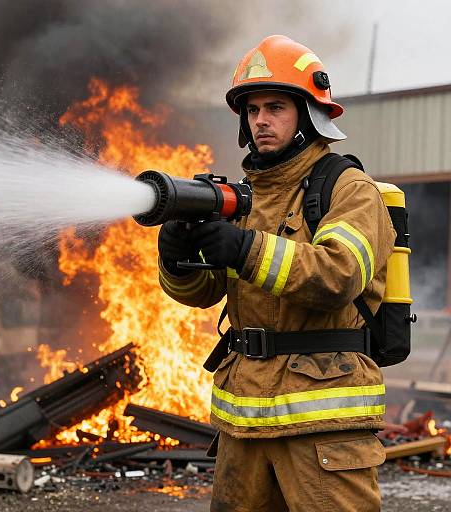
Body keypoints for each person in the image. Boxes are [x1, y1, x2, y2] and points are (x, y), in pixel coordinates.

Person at [158, 35, 395, 512]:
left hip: (323, 428)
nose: (261, 120)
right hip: (243, 425)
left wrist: (244, 248)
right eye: (252, 110)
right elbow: (206, 292)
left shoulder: (349, 190)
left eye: (276, 107)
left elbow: (339, 275)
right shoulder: (245, 197)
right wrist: (177, 258)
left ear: (308, 113)